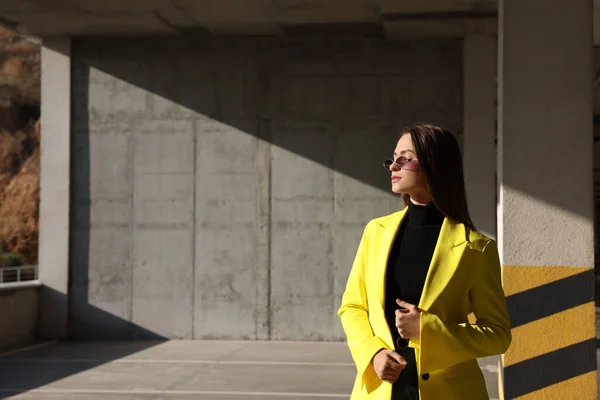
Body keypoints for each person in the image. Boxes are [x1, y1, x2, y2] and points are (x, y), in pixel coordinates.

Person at [337, 124, 511, 400]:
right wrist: (373, 353)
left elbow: (498, 335)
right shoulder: (376, 232)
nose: (393, 166)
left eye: (404, 158)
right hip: (380, 389)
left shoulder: (476, 248)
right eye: (393, 158)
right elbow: (352, 306)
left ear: (434, 165)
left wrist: (428, 330)